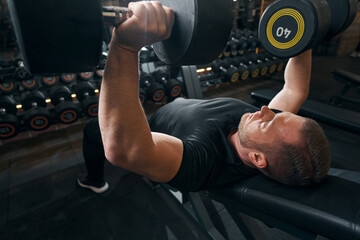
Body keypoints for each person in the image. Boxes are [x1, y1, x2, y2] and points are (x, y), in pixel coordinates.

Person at [77, 1, 331, 194]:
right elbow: (295, 89)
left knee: (92, 132)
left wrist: (125, 47)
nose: (266, 109)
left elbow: (125, 150)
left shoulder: (204, 160)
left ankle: (94, 180)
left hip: (150, 128)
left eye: (268, 122)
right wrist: (305, 28)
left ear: (257, 159)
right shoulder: (269, 133)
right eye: (280, 114)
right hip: (183, 107)